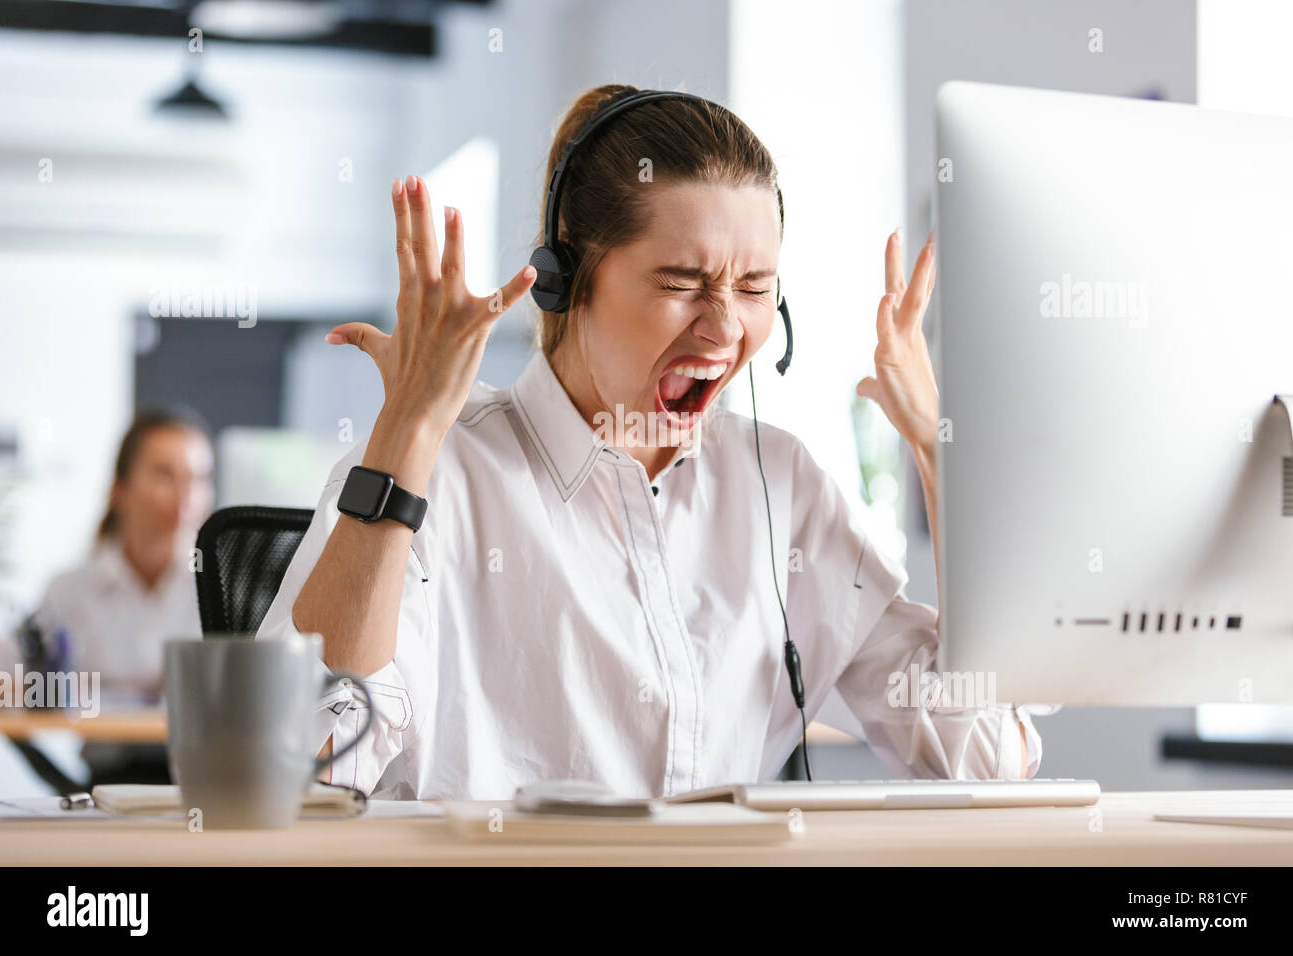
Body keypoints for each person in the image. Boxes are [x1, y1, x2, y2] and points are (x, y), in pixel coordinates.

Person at [259, 84, 1044, 799]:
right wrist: (406, 434)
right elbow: (296, 765)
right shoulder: (441, 473)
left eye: (754, 287)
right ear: (568, 275)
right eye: (681, 284)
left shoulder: (780, 489)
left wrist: (941, 456)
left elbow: (987, 756)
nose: (725, 327)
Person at [32, 408, 214, 705]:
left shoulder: (222, 591)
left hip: (201, 750)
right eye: (164, 474)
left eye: (198, 478)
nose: (186, 493)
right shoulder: (67, 591)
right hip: (99, 748)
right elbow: (16, 684)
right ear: (120, 489)